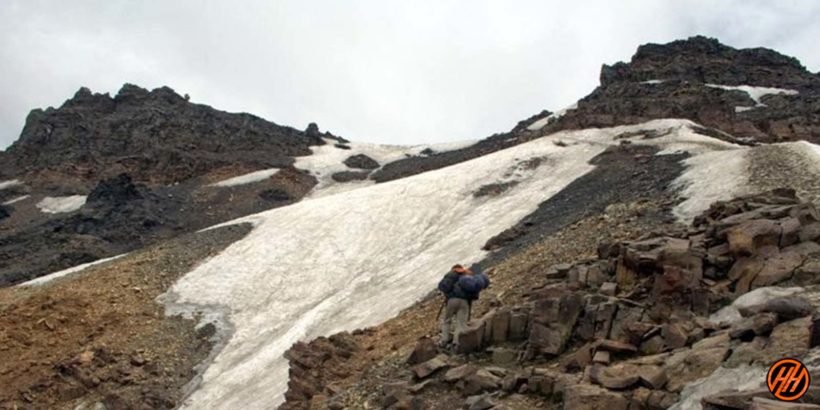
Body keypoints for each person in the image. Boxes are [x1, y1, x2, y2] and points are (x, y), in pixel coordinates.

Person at [437, 264, 490, 349]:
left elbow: (447, 291)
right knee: (461, 323)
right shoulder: (466, 277)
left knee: (447, 321)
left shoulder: (452, 279)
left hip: (451, 301)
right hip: (464, 302)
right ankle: (456, 343)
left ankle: (444, 341)